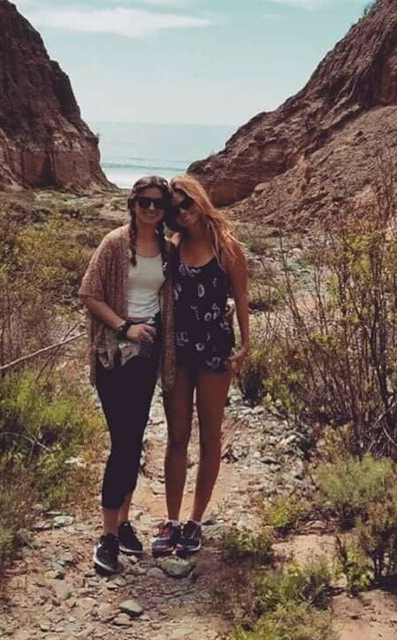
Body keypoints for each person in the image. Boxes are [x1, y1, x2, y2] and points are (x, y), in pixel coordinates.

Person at [79, 176, 175, 574]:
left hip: (146, 355)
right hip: (112, 353)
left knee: (133, 440)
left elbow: (178, 294)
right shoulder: (115, 243)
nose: (151, 208)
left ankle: (122, 523)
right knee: (122, 443)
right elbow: (89, 293)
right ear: (133, 204)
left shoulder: (169, 250)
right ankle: (107, 537)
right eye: (144, 201)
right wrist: (124, 327)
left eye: (158, 203)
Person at [152, 174, 250, 557]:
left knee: (210, 437)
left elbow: (241, 296)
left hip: (214, 353)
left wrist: (245, 343)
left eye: (186, 203)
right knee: (176, 437)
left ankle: (195, 521)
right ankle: (171, 521)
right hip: (177, 352)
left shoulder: (226, 246)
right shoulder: (173, 246)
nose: (182, 212)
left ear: (198, 199)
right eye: (174, 208)